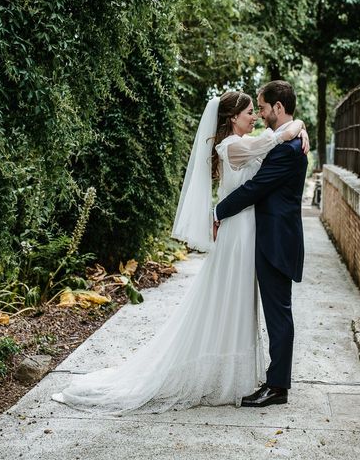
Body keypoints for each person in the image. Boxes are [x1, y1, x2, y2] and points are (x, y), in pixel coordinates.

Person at [50, 90, 308, 414]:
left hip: (250, 232)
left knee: (241, 303)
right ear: (232, 119)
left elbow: (271, 141)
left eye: (258, 110)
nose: (254, 116)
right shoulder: (232, 146)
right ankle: (240, 377)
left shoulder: (255, 141)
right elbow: (265, 151)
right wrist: (294, 127)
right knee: (229, 299)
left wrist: (297, 127)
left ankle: (248, 377)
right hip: (239, 233)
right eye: (248, 113)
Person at [214, 80, 308, 407]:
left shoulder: (287, 149)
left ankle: (277, 387)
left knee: (278, 314)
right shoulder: (286, 142)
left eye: (263, 108)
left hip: (276, 242)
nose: (261, 114)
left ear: (278, 108)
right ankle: (276, 382)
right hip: (271, 239)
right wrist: (299, 126)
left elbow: (255, 188)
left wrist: (218, 211)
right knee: (277, 312)